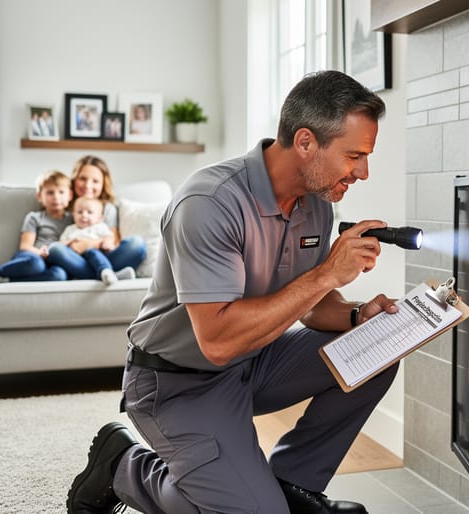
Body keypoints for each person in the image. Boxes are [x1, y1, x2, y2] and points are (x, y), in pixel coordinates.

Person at [67, 70, 396, 514]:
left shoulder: (316, 203)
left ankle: (291, 486)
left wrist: (358, 317)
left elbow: (313, 306)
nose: (363, 172)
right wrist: (326, 275)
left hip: (255, 360)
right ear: (304, 142)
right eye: (354, 155)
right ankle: (125, 466)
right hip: (177, 380)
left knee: (377, 348)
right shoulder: (209, 203)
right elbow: (218, 342)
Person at [0, 171, 72, 289]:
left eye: (61, 192)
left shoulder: (73, 219)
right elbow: (25, 246)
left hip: (53, 262)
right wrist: (39, 253)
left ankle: (6, 279)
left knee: (60, 276)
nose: (56, 197)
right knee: (36, 265)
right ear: (40, 196)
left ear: (70, 196)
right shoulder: (34, 217)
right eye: (50, 193)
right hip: (31, 256)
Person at [47, 155, 147, 280]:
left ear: (103, 184)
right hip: (75, 260)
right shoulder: (63, 202)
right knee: (55, 249)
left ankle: (99, 272)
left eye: (95, 181)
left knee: (137, 244)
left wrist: (88, 244)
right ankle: (108, 274)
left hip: (104, 256)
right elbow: (60, 242)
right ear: (74, 179)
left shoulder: (107, 208)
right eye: (82, 179)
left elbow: (113, 242)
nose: (88, 185)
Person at [59, 196, 137, 285]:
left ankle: (105, 271)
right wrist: (70, 242)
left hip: (98, 255)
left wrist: (107, 244)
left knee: (93, 252)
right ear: (73, 215)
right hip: (78, 260)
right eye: (79, 212)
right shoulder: (70, 229)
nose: (84, 215)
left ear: (99, 218)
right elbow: (61, 244)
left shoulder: (100, 227)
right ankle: (112, 274)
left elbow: (109, 239)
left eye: (89, 212)